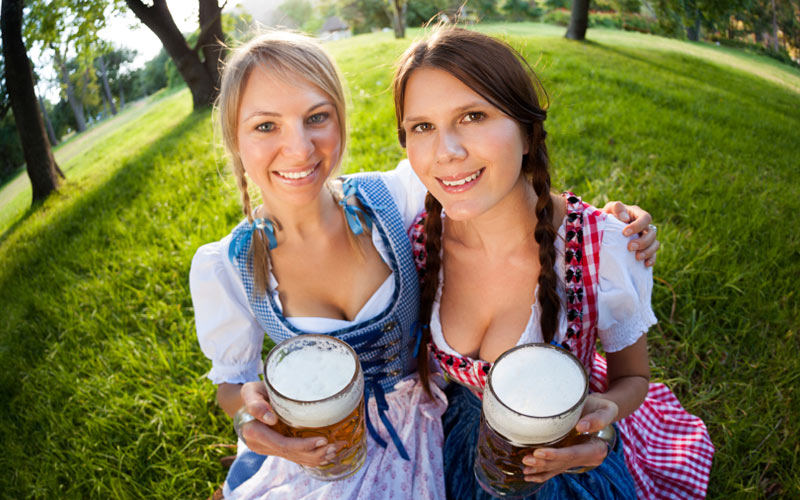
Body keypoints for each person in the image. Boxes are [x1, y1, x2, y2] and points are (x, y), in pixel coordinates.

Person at [194, 31, 660, 500]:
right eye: (264, 126)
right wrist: (247, 413)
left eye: (316, 117)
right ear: (232, 137)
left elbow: (507, 198)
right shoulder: (230, 266)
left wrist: (616, 228)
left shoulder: (392, 204)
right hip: (353, 446)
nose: (298, 148)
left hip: (456, 434)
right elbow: (234, 387)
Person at [392, 27, 714, 500]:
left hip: (558, 461)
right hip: (455, 436)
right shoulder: (412, 232)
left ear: (526, 132)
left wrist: (602, 415)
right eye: (423, 127)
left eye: (473, 116)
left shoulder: (601, 247)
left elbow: (633, 378)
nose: (447, 152)